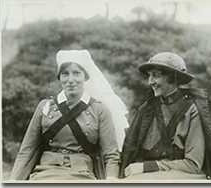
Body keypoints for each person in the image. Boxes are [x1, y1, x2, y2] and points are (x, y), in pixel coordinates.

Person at [10, 50, 129, 180]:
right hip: (45, 172)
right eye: (65, 74)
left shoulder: (99, 110)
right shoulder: (45, 106)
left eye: (76, 73)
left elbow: (111, 155)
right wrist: (13, 180)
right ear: (60, 77)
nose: (70, 80)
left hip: (83, 174)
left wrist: (111, 179)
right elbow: (27, 149)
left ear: (85, 77)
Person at [119, 52, 211, 180]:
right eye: (149, 76)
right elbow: (132, 152)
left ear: (171, 77)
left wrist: (147, 167)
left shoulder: (191, 110)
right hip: (146, 176)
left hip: (181, 177)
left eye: (155, 75)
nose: (150, 82)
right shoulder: (146, 109)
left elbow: (193, 165)